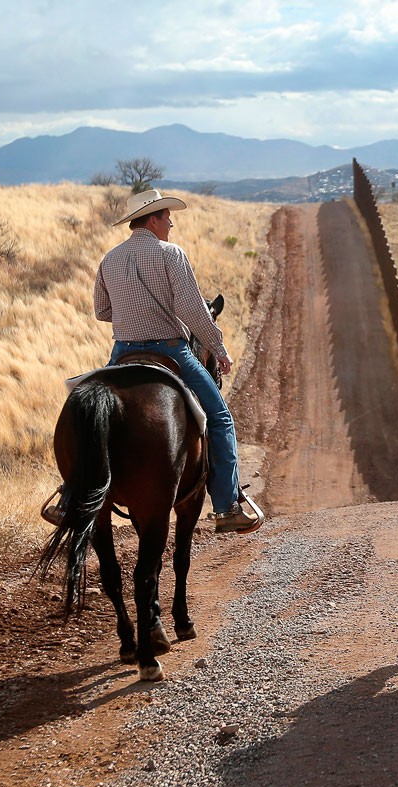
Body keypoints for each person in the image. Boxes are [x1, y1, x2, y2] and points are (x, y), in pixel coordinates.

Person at [93, 188, 262, 533]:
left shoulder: (109, 259)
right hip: (171, 350)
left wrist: (133, 313)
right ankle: (227, 506)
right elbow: (192, 310)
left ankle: (71, 494)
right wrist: (218, 348)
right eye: (167, 217)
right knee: (220, 418)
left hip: (122, 352)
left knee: (92, 413)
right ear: (152, 219)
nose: (171, 223)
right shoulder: (171, 254)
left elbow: (102, 310)